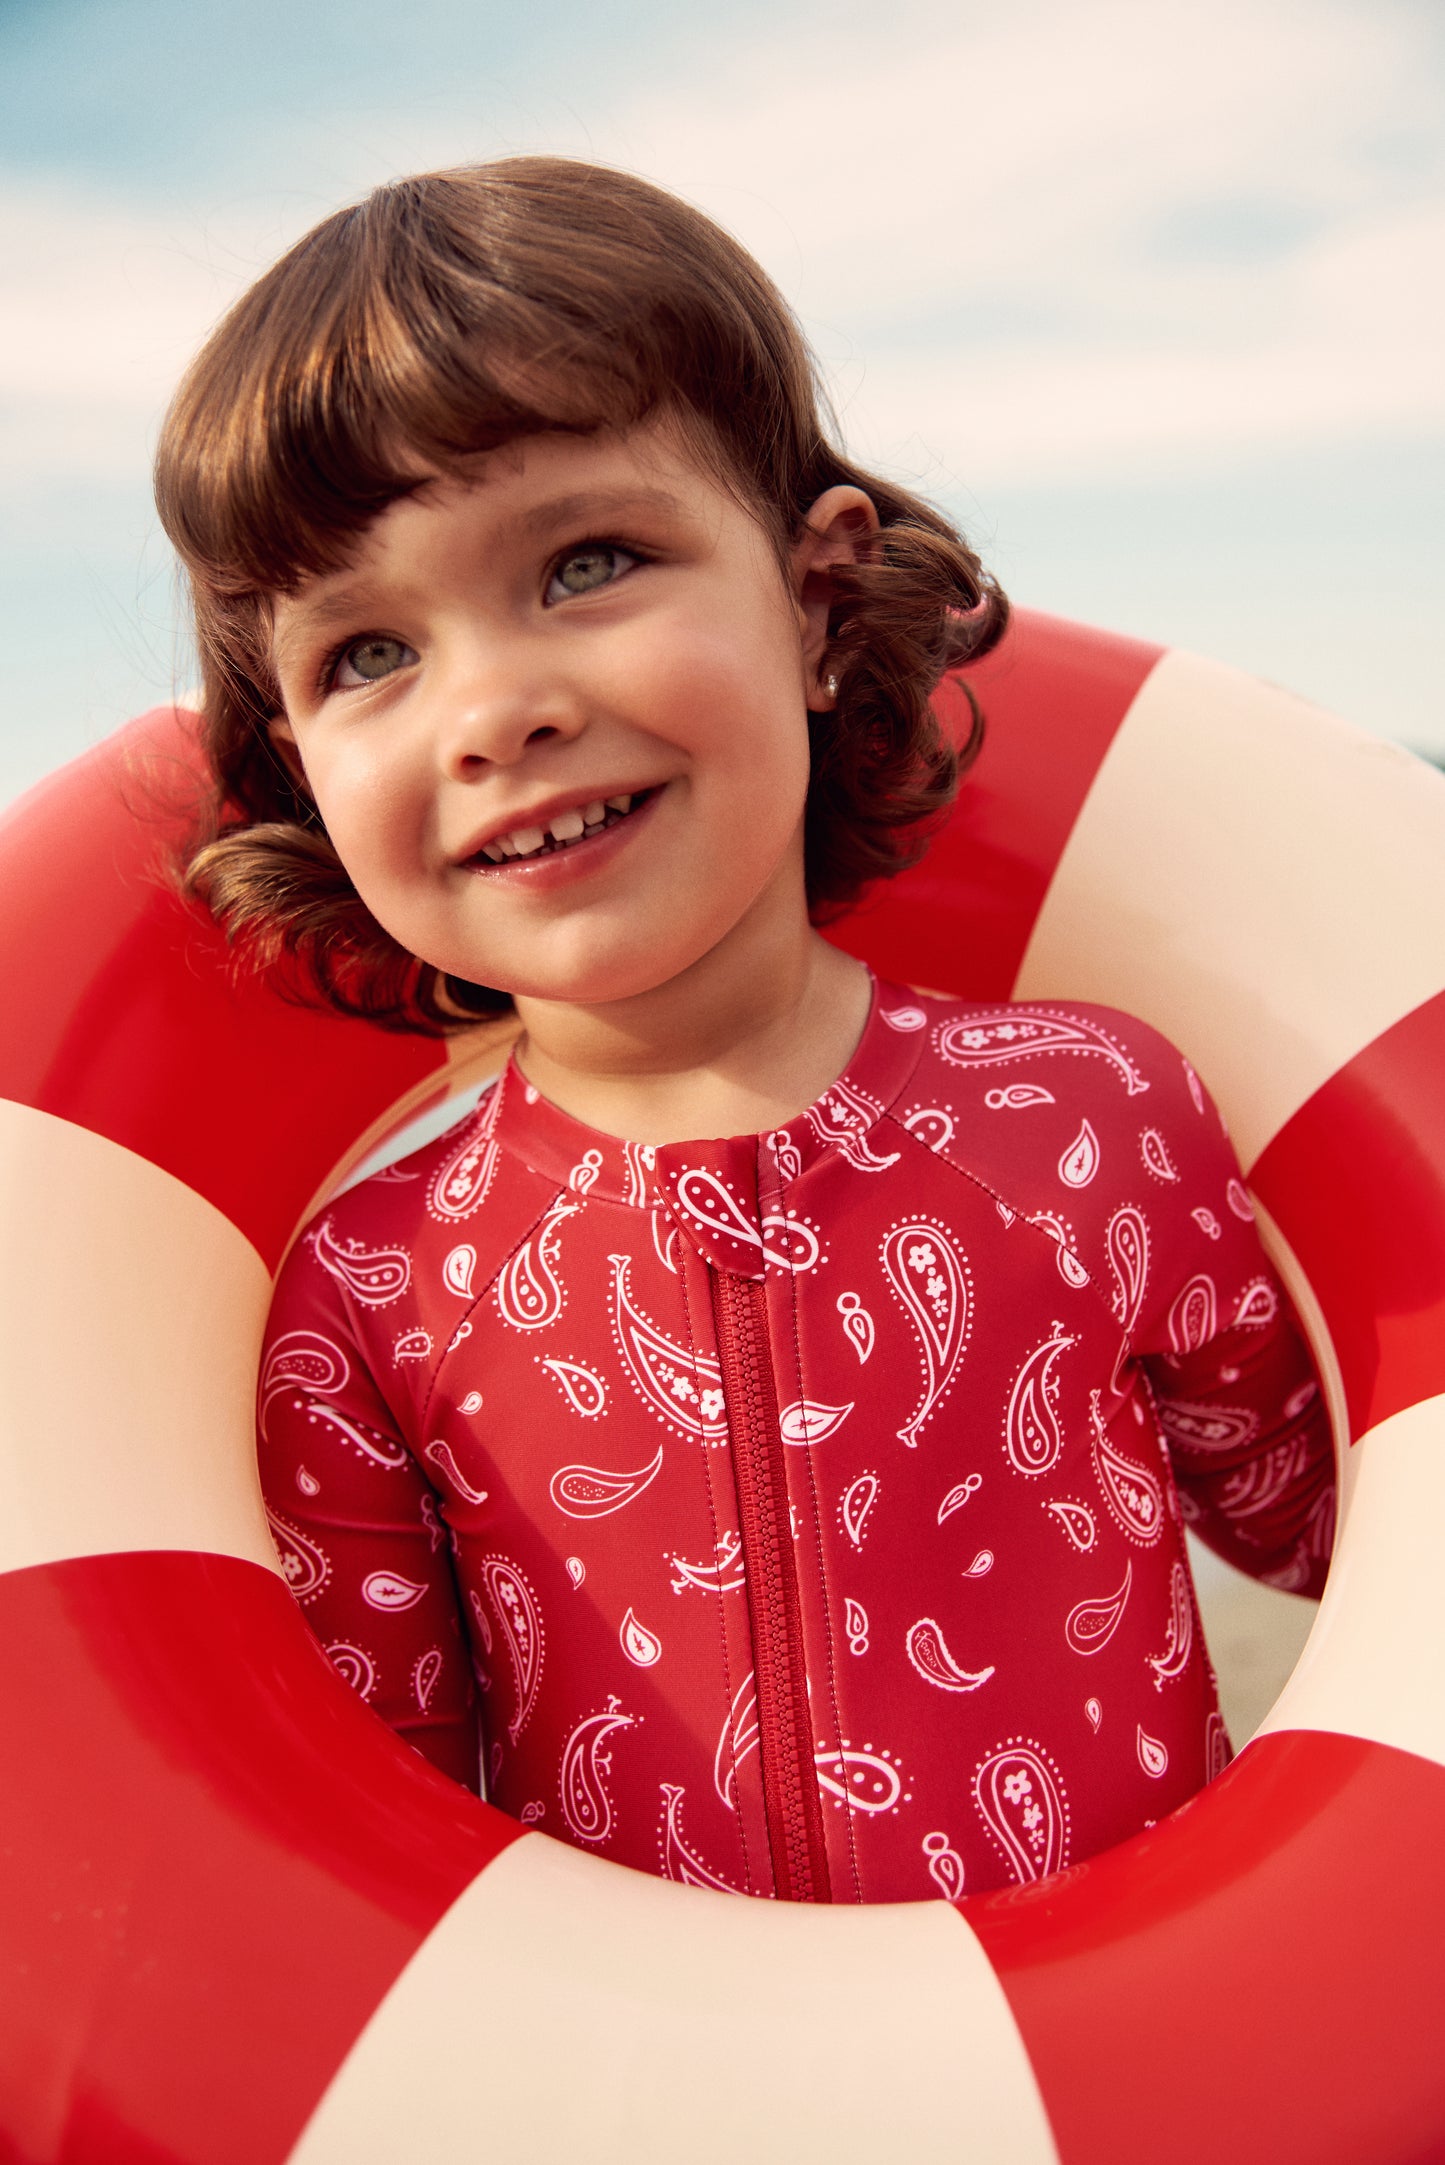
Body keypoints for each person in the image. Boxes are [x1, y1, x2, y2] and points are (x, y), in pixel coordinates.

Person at [155, 157, 1334, 1905]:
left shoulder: (1091, 1115)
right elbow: (368, 1831)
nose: (494, 709)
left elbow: (1317, 1525)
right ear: (297, 778)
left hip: (1122, 2068)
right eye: (367, 653)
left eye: (587, 561)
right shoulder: (371, 1294)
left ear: (810, 600)